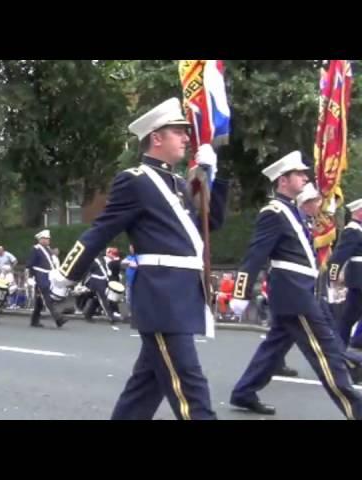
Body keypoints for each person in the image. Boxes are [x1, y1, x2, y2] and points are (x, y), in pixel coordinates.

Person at [51, 97, 228, 420]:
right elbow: (101, 231)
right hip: (161, 296)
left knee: (144, 389)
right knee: (190, 390)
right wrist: (65, 276)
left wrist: (211, 175)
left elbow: (210, 223)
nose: (187, 138)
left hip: (182, 294)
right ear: (156, 137)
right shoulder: (134, 180)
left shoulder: (179, 182)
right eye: (179, 131)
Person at [229, 153, 362, 419]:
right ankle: (355, 408)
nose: (305, 178)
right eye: (299, 174)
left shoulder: (292, 211)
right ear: (283, 180)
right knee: (326, 354)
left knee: (274, 347)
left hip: (301, 290)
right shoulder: (274, 212)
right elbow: (255, 254)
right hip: (294, 292)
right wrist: (240, 291)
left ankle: (244, 392)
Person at [328, 199, 362, 348]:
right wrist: (333, 275)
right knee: (348, 317)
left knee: (350, 315)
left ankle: (349, 343)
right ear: (359, 212)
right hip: (358, 278)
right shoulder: (352, 230)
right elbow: (339, 255)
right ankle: (339, 347)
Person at [26, 230, 67, 329]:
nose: (48, 240)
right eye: (46, 239)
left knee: (40, 300)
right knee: (47, 296)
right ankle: (58, 318)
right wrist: (30, 277)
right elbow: (30, 265)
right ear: (41, 239)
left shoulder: (48, 249)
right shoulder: (35, 249)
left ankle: (34, 321)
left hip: (49, 275)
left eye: (48, 239)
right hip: (40, 276)